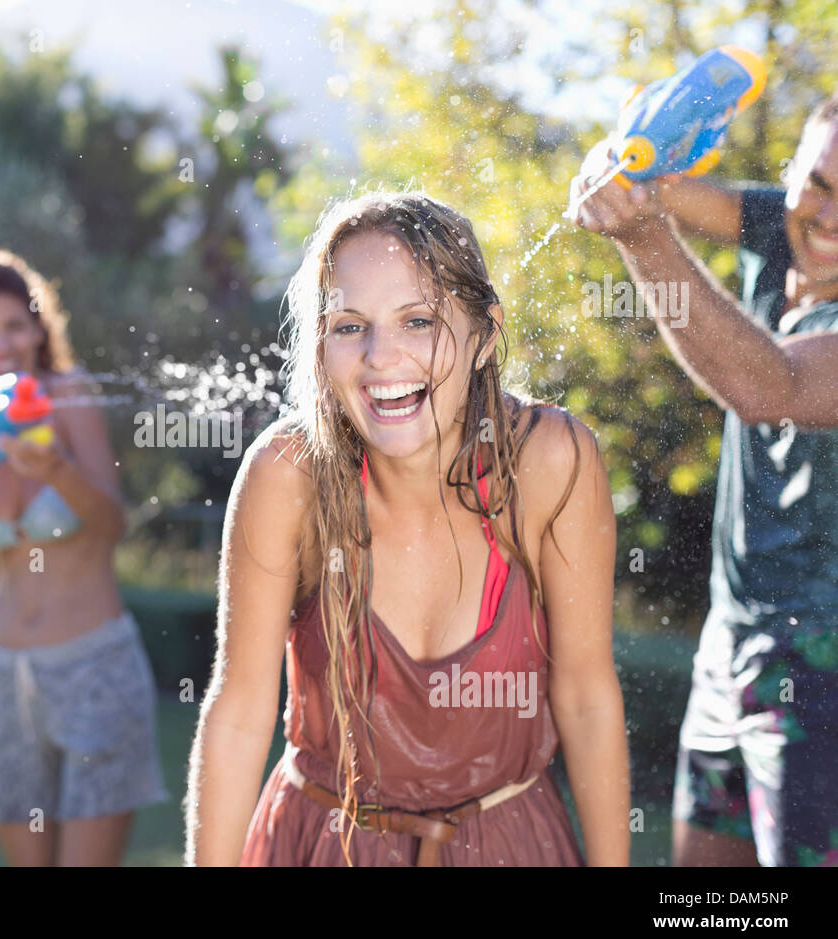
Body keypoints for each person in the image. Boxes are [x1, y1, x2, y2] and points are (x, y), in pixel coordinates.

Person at [184, 191, 630, 866]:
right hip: (325, 841)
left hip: (507, 844)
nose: (380, 357)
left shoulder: (550, 461)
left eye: (418, 321)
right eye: (348, 326)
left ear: (483, 336)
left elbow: (587, 695)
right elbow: (240, 713)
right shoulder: (289, 476)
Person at [570, 91, 838, 868]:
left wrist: (642, 238)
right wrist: (623, 162)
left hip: (822, 674)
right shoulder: (782, 225)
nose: (827, 219)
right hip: (730, 647)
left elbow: (772, 388)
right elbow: (656, 188)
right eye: (818, 184)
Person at [0, 248, 169, 866]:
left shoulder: (69, 395)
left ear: (39, 329)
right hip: (1, 676)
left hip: (93, 665)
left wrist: (57, 470)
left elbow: (112, 524)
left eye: (14, 324)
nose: (1, 342)